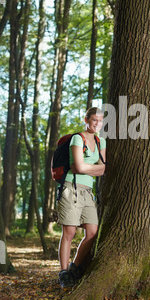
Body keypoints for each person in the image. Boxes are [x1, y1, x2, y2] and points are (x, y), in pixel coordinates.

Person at [57, 107, 106, 288]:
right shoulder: (78, 138)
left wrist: (88, 167)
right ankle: (63, 274)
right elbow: (77, 167)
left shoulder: (101, 142)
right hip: (71, 187)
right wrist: (93, 168)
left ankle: (74, 268)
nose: (97, 124)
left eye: (100, 121)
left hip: (88, 192)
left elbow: (103, 169)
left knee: (92, 232)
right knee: (69, 233)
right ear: (86, 119)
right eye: (94, 120)